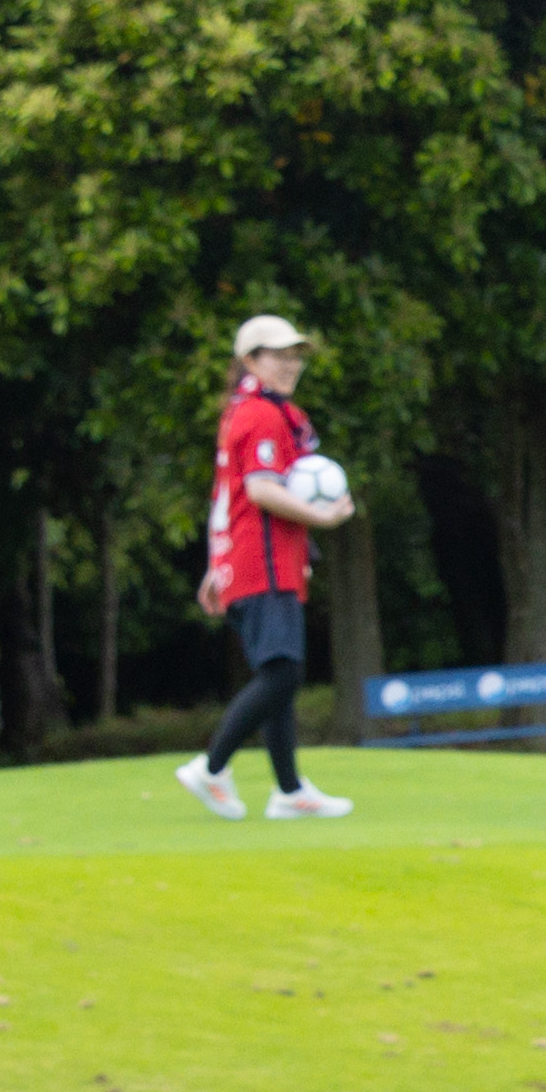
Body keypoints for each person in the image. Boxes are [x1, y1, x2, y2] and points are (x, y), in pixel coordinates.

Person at [186, 314, 357, 820]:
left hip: (260, 562)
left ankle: (289, 791)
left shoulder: (259, 413)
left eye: (295, 355)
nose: (291, 365)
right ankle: (211, 768)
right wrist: (323, 516)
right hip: (262, 564)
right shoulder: (260, 414)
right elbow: (260, 491)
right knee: (284, 672)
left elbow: (226, 498)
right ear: (249, 361)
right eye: (278, 355)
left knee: (276, 671)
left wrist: (218, 564)